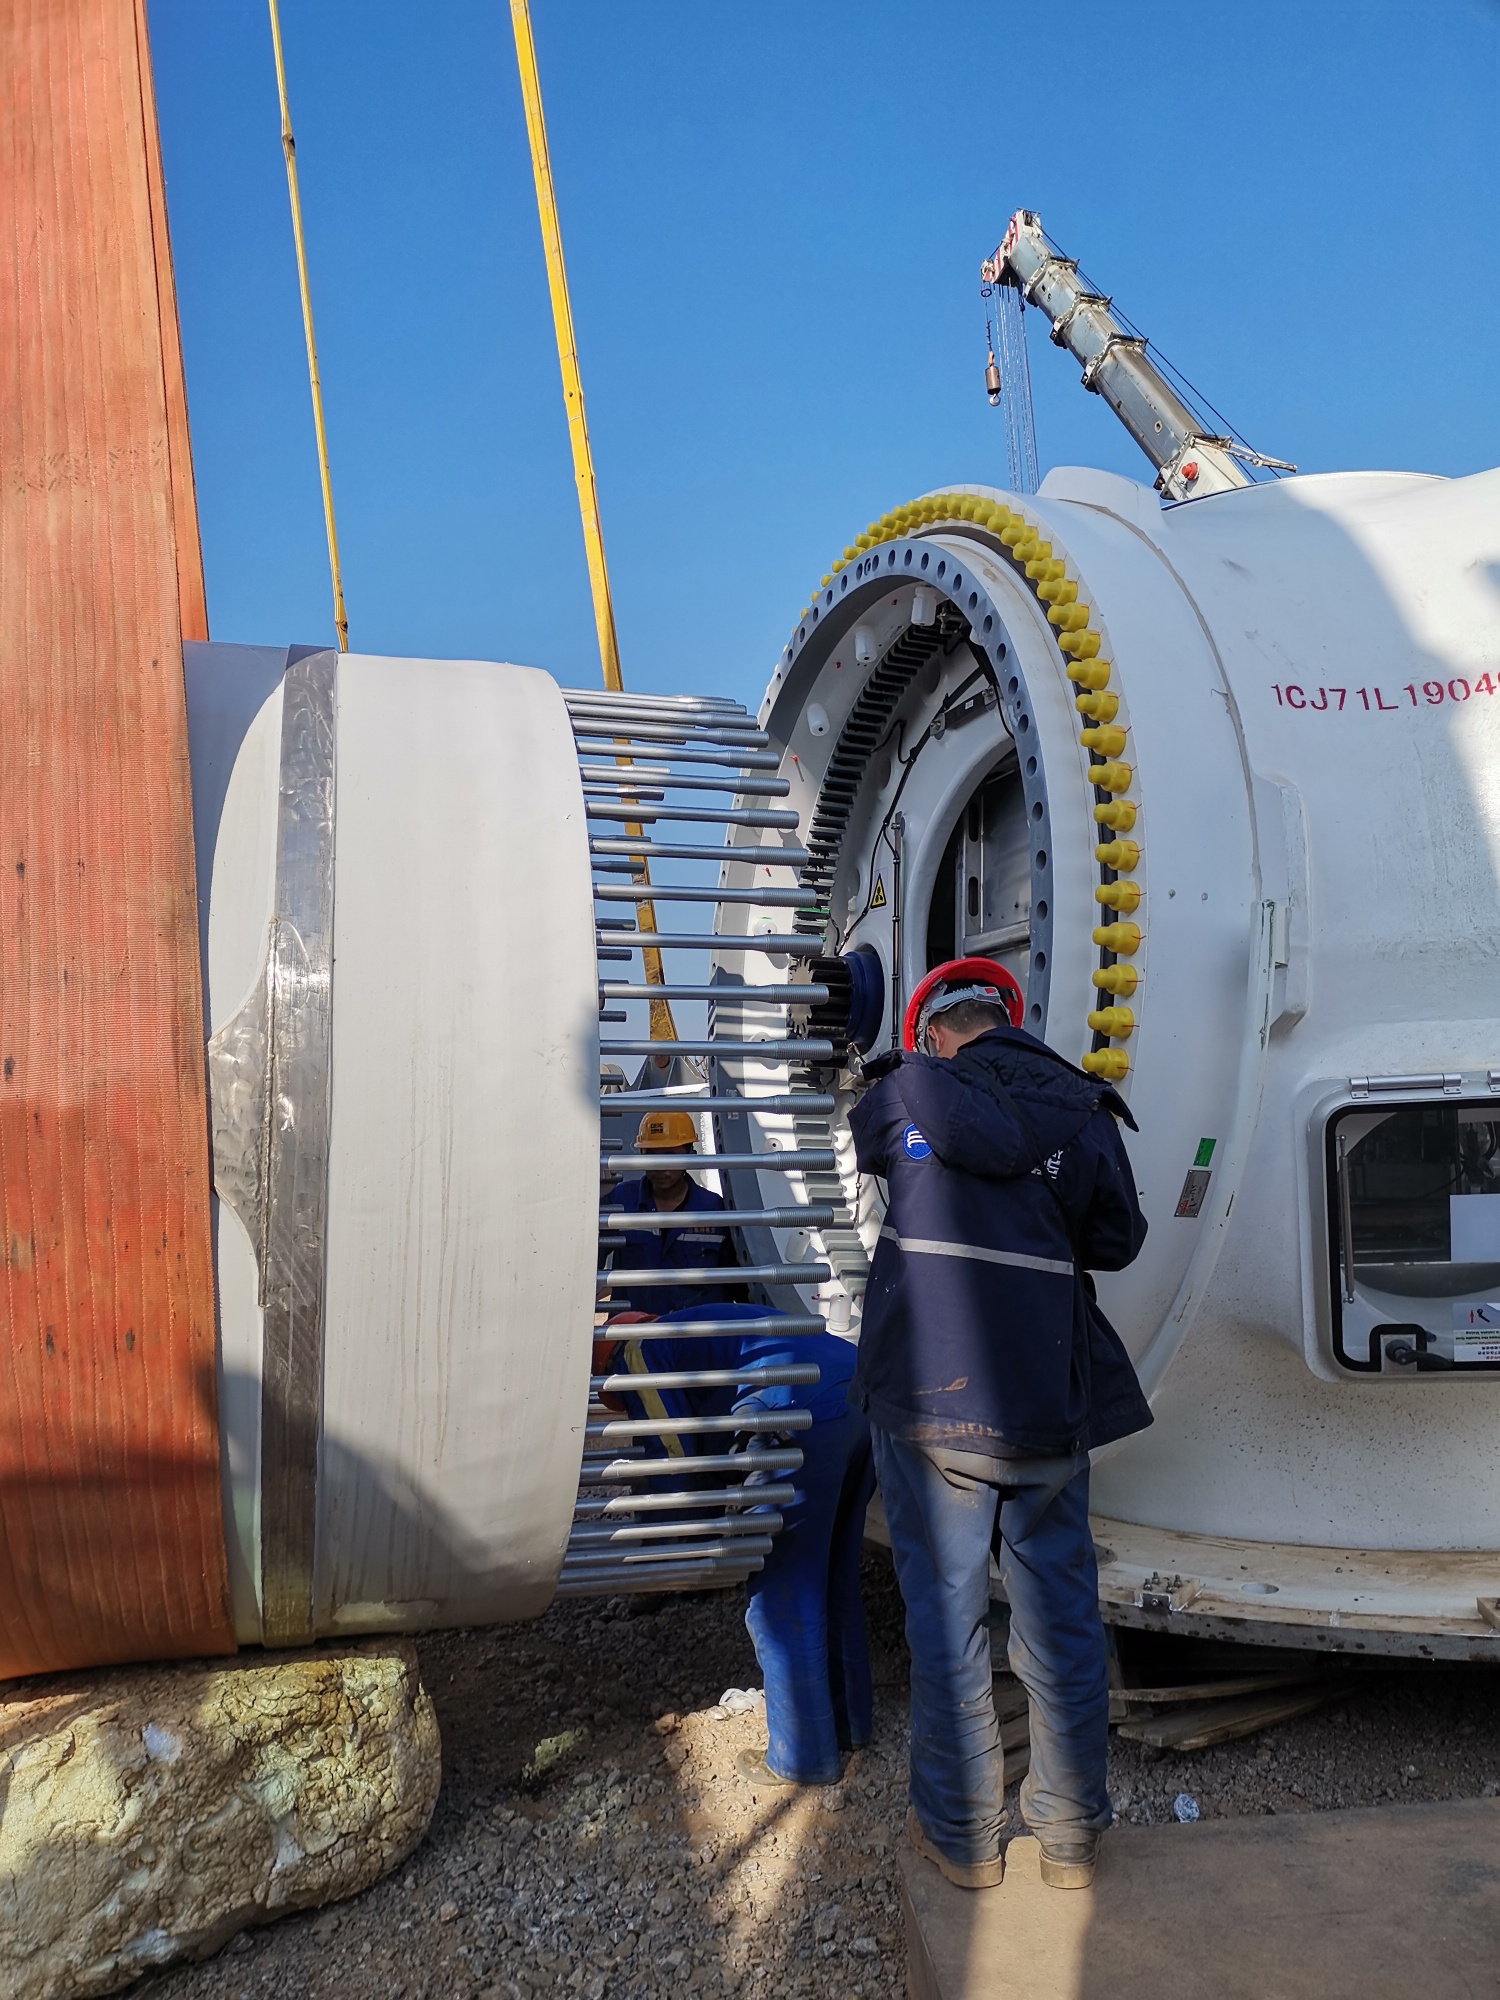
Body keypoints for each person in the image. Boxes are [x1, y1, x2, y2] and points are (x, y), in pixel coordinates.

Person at [849, 957, 1149, 1893]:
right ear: (1012, 1023)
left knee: (947, 1625)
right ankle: (1069, 1839)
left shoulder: (904, 1092)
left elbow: (867, 1148)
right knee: (1060, 1620)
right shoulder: (1084, 1109)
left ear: (935, 1032)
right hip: (1043, 1408)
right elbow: (1118, 1242)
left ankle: (965, 1839)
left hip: (931, 1408)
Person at [596, 1301, 876, 1785]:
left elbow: (672, 1454)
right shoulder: (695, 1331)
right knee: (833, 1574)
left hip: (797, 1413)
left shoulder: (637, 1355)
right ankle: (852, 1725)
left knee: (782, 1591)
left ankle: (803, 1760)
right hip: (859, 1395)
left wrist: (694, 1543)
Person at [601, 1110, 743, 1315]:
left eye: (670, 1155)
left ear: (690, 1157)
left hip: (695, 1339)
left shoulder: (713, 1209)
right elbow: (587, 1261)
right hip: (634, 1336)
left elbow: (739, 1285)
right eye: (652, 1155)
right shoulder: (621, 1200)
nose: (660, 1167)